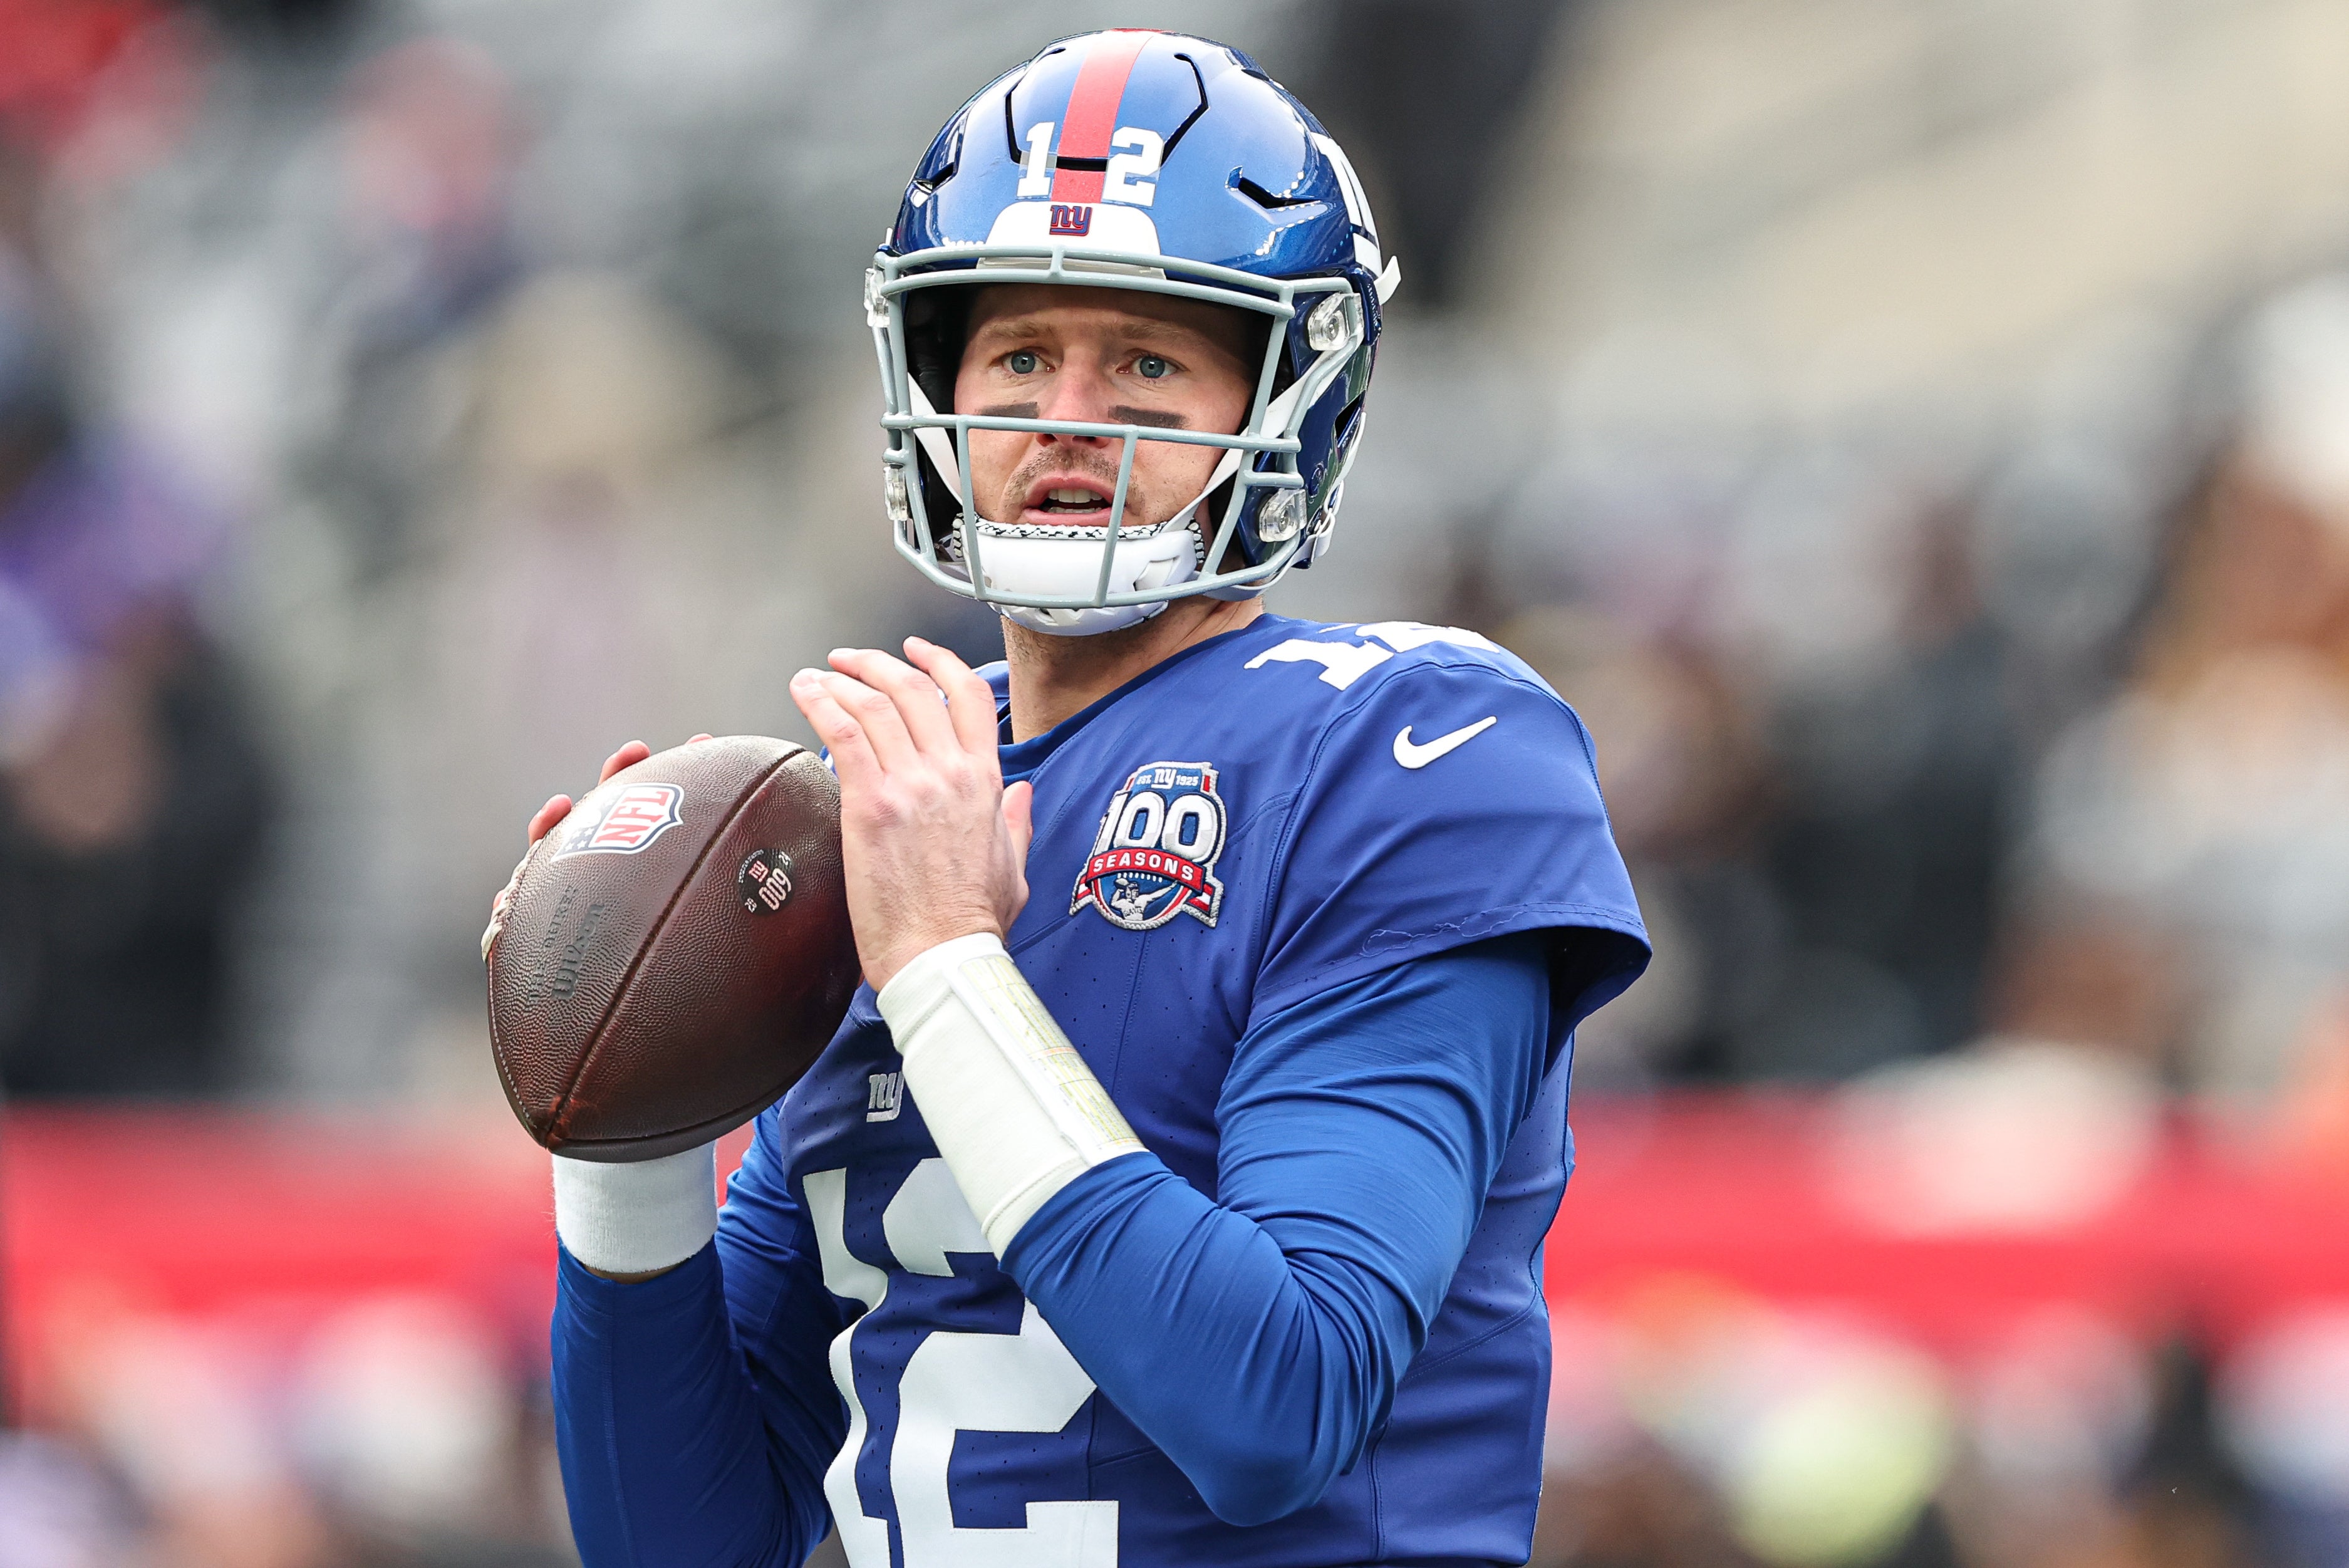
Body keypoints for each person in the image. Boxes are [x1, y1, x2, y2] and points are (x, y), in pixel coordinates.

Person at [516, 30, 1648, 1567]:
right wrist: (624, 1111)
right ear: (939, 385)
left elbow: (1280, 1402)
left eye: (1149, 359)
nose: (1070, 416)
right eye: (1024, 355)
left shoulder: (1416, 747)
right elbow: (687, 1546)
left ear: (1287, 393)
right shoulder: (889, 792)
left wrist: (944, 965)